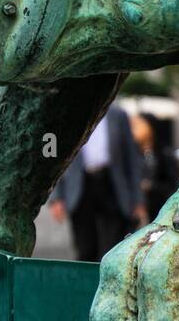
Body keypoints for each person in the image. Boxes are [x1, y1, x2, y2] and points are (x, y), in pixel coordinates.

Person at [50, 105, 147, 262]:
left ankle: (110, 283)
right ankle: (87, 285)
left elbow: (132, 158)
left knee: (113, 248)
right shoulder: (67, 114)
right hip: (80, 187)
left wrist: (137, 199)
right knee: (86, 249)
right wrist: (56, 197)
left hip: (112, 185)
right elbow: (54, 158)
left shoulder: (118, 115)